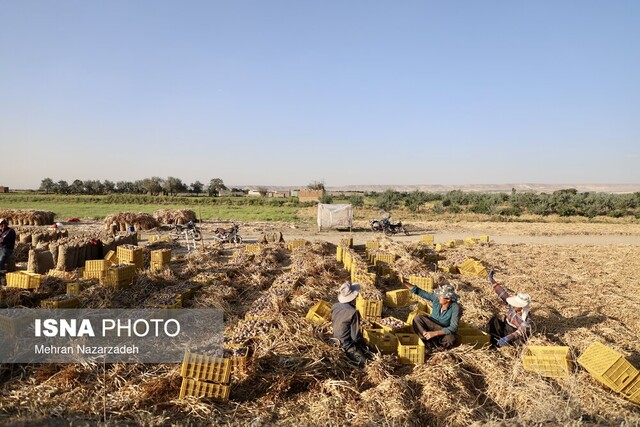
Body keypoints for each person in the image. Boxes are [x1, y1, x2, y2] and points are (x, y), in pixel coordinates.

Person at [404, 281, 462, 351]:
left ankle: (438, 347)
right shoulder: (436, 299)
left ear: (448, 299)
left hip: (442, 329)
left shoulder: (455, 308)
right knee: (417, 318)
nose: (438, 298)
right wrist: (404, 282)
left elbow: (453, 327)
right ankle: (425, 338)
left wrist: (434, 333)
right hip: (431, 324)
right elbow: (420, 292)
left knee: (451, 338)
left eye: (441, 297)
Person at [487, 270, 532, 349]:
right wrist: (492, 280)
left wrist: (508, 338)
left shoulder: (526, 317)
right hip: (506, 328)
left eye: (517, 305)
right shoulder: (512, 305)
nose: (514, 305)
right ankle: (493, 344)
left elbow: (520, 331)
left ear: (522, 307)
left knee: (520, 342)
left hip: (514, 335)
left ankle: (511, 349)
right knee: (494, 321)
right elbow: (502, 294)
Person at [331, 282, 370, 367]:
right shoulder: (353, 312)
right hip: (346, 345)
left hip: (334, 339)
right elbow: (355, 337)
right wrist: (364, 344)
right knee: (366, 364)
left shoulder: (335, 306)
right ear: (354, 297)